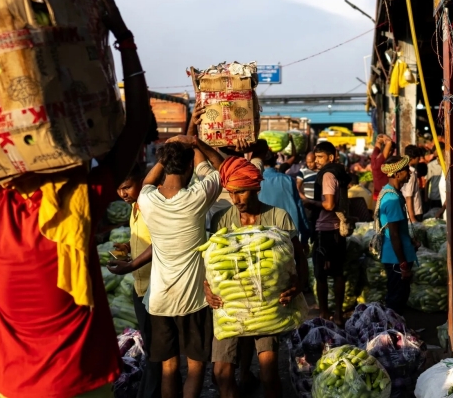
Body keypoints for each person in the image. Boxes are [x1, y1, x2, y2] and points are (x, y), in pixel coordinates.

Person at [0, 0, 150, 397]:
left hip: (15, 385)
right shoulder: (76, 206)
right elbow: (136, 127)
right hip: (83, 380)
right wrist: (125, 40)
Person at [205, 157, 305, 398]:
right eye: (231, 193)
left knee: (269, 373)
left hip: (267, 307)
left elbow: (299, 257)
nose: (236, 200)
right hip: (230, 306)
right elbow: (212, 264)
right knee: (222, 373)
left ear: (255, 188)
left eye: (241, 193)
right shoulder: (222, 219)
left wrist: (298, 284)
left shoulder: (278, 217)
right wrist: (207, 287)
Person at [136, 134, 224, 398]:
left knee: (169, 367)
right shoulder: (196, 197)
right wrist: (197, 145)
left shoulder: (147, 199)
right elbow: (223, 169)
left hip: (159, 299)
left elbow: (148, 181)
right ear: (189, 168)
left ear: (164, 164)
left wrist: (168, 154)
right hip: (194, 298)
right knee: (196, 368)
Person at [107, 163, 162, 398]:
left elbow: (160, 240)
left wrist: (130, 265)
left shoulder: (152, 205)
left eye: (127, 187)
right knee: (150, 347)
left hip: (155, 287)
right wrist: (129, 247)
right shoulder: (135, 208)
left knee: (157, 350)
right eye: (119, 189)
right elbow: (144, 239)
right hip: (140, 286)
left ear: (142, 180)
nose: (123, 194)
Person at [304, 141, 350, 326]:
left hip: (325, 230)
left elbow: (329, 205)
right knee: (338, 273)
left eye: (320, 157)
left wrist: (309, 203)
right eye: (315, 158)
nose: (317, 162)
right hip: (338, 230)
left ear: (331, 157)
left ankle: (325, 313)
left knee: (321, 275)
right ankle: (338, 315)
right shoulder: (340, 172)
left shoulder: (328, 175)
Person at [376, 156, 417, 313]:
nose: (409, 174)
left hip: (397, 256)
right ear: (398, 174)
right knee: (396, 299)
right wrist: (403, 265)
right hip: (396, 259)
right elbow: (394, 235)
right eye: (407, 171)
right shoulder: (392, 199)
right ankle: (394, 332)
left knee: (400, 295)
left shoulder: (393, 193)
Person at [259, 150, 310, 243]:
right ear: (275, 159)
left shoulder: (255, 181)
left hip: (263, 235)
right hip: (289, 234)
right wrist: (305, 236)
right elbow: (299, 208)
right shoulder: (287, 180)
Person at [401, 145, 423, 223]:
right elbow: (408, 196)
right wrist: (412, 217)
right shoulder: (411, 173)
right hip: (414, 211)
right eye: (418, 157)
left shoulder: (403, 170)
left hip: (408, 212)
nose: (419, 159)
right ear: (412, 158)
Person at [371, 135, 394, 203]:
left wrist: (380, 139)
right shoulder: (381, 161)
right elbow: (389, 142)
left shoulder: (374, 158)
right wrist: (386, 138)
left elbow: (377, 144)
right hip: (385, 195)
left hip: (377, 194)